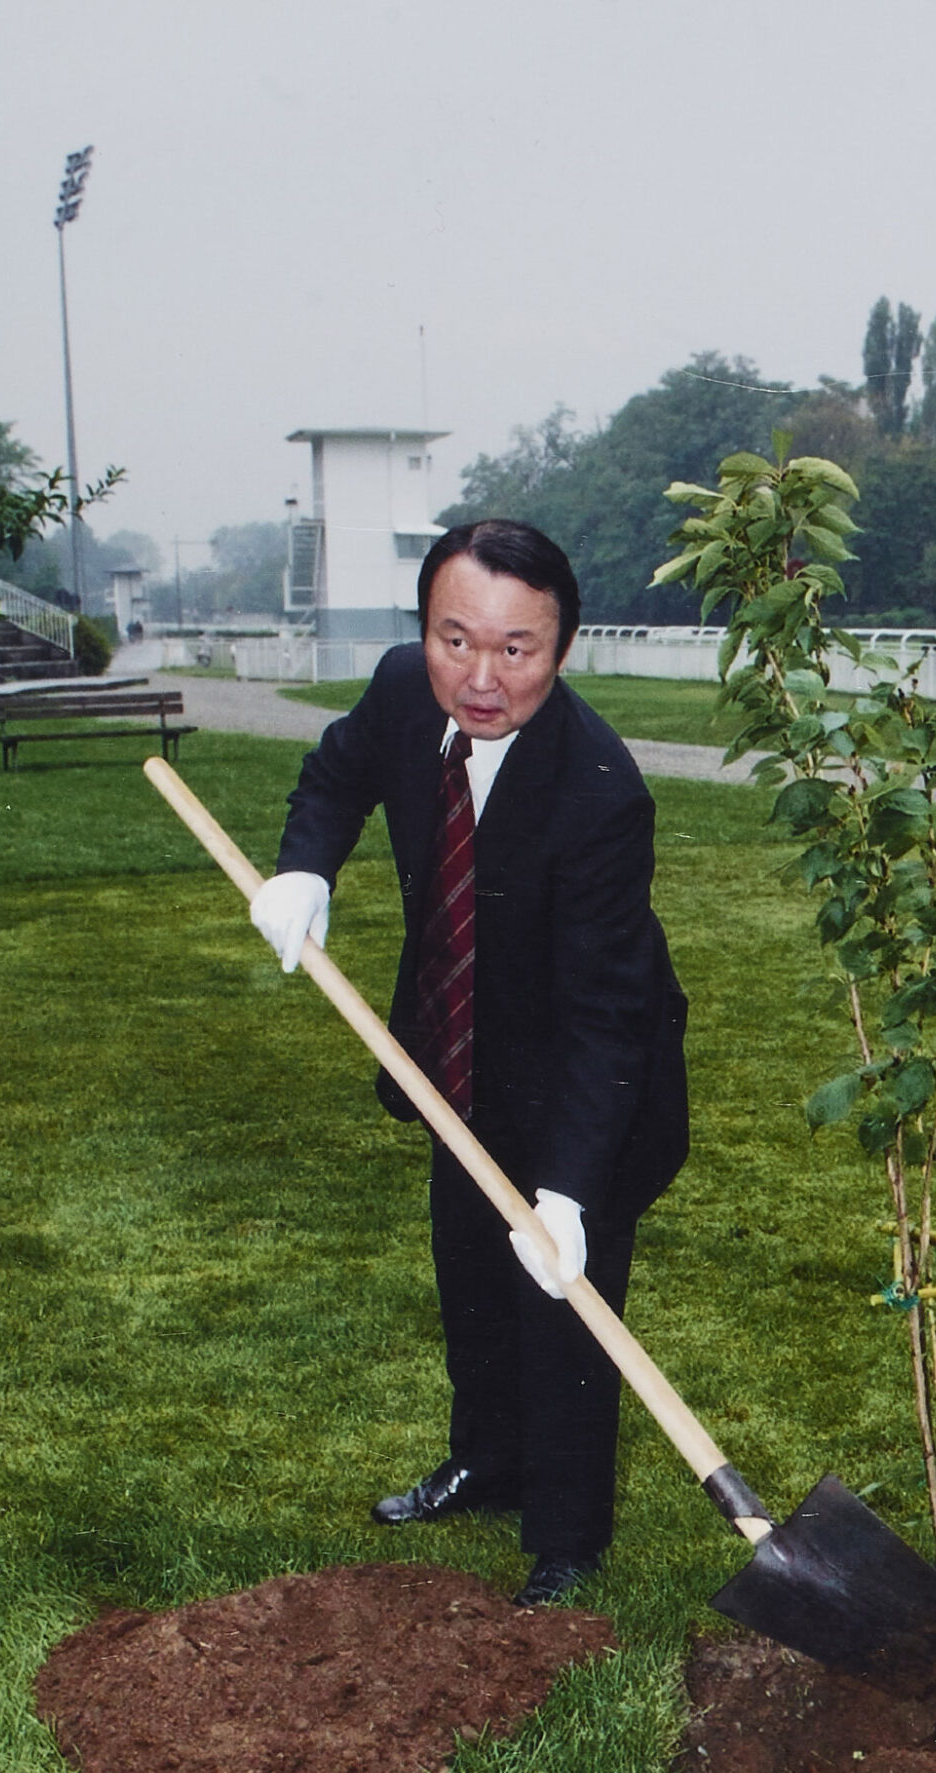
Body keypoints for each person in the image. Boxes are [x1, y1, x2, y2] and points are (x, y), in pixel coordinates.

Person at [250, 520, 688, 1606]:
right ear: (425, 630)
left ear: (563, 648)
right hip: (457, 1050)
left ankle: (568, 1532)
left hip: (592, 1078)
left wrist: (571, 1191)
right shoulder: (406, 690)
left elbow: (603, 1018)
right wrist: (306, 869)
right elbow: (338, 773)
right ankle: (486, 1464)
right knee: (474, 1283)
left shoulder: (598, 793)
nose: (481, 678)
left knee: (565, 1309)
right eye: (457, 640)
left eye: (516, 650)